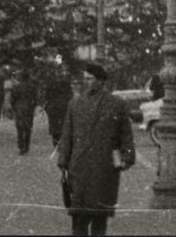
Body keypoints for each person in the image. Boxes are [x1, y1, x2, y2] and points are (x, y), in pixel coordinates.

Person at [55, 61, 136, 236]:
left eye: (90, 79)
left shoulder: (116, 104)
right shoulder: (75, 104)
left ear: (101, 81)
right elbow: (67, 135)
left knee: (100, 218)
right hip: (79, 166)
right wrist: (63, 162)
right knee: (79, 218)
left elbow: (125, 135)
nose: (87, 82)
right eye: (85, 79)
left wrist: (127, 157)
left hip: (104, 168)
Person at [44, 64, 75, 148]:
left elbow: (47, 96)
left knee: (55, 126)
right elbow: (70, 96)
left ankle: (56, 143)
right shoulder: (66, 84)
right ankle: (61, 142)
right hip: (63, 107)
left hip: (54, 107)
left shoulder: (51, 83)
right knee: (62, 126)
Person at [11, 68, 40, 155]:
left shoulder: (17, 87)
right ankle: (26, 146)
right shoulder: (32, 87)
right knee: (28, 128)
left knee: (20, 128)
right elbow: (35, 99)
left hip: (19, 109)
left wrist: (15, 107)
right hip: (28, 109)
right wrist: (32, 106)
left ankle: (21, 146)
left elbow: (13, 99)